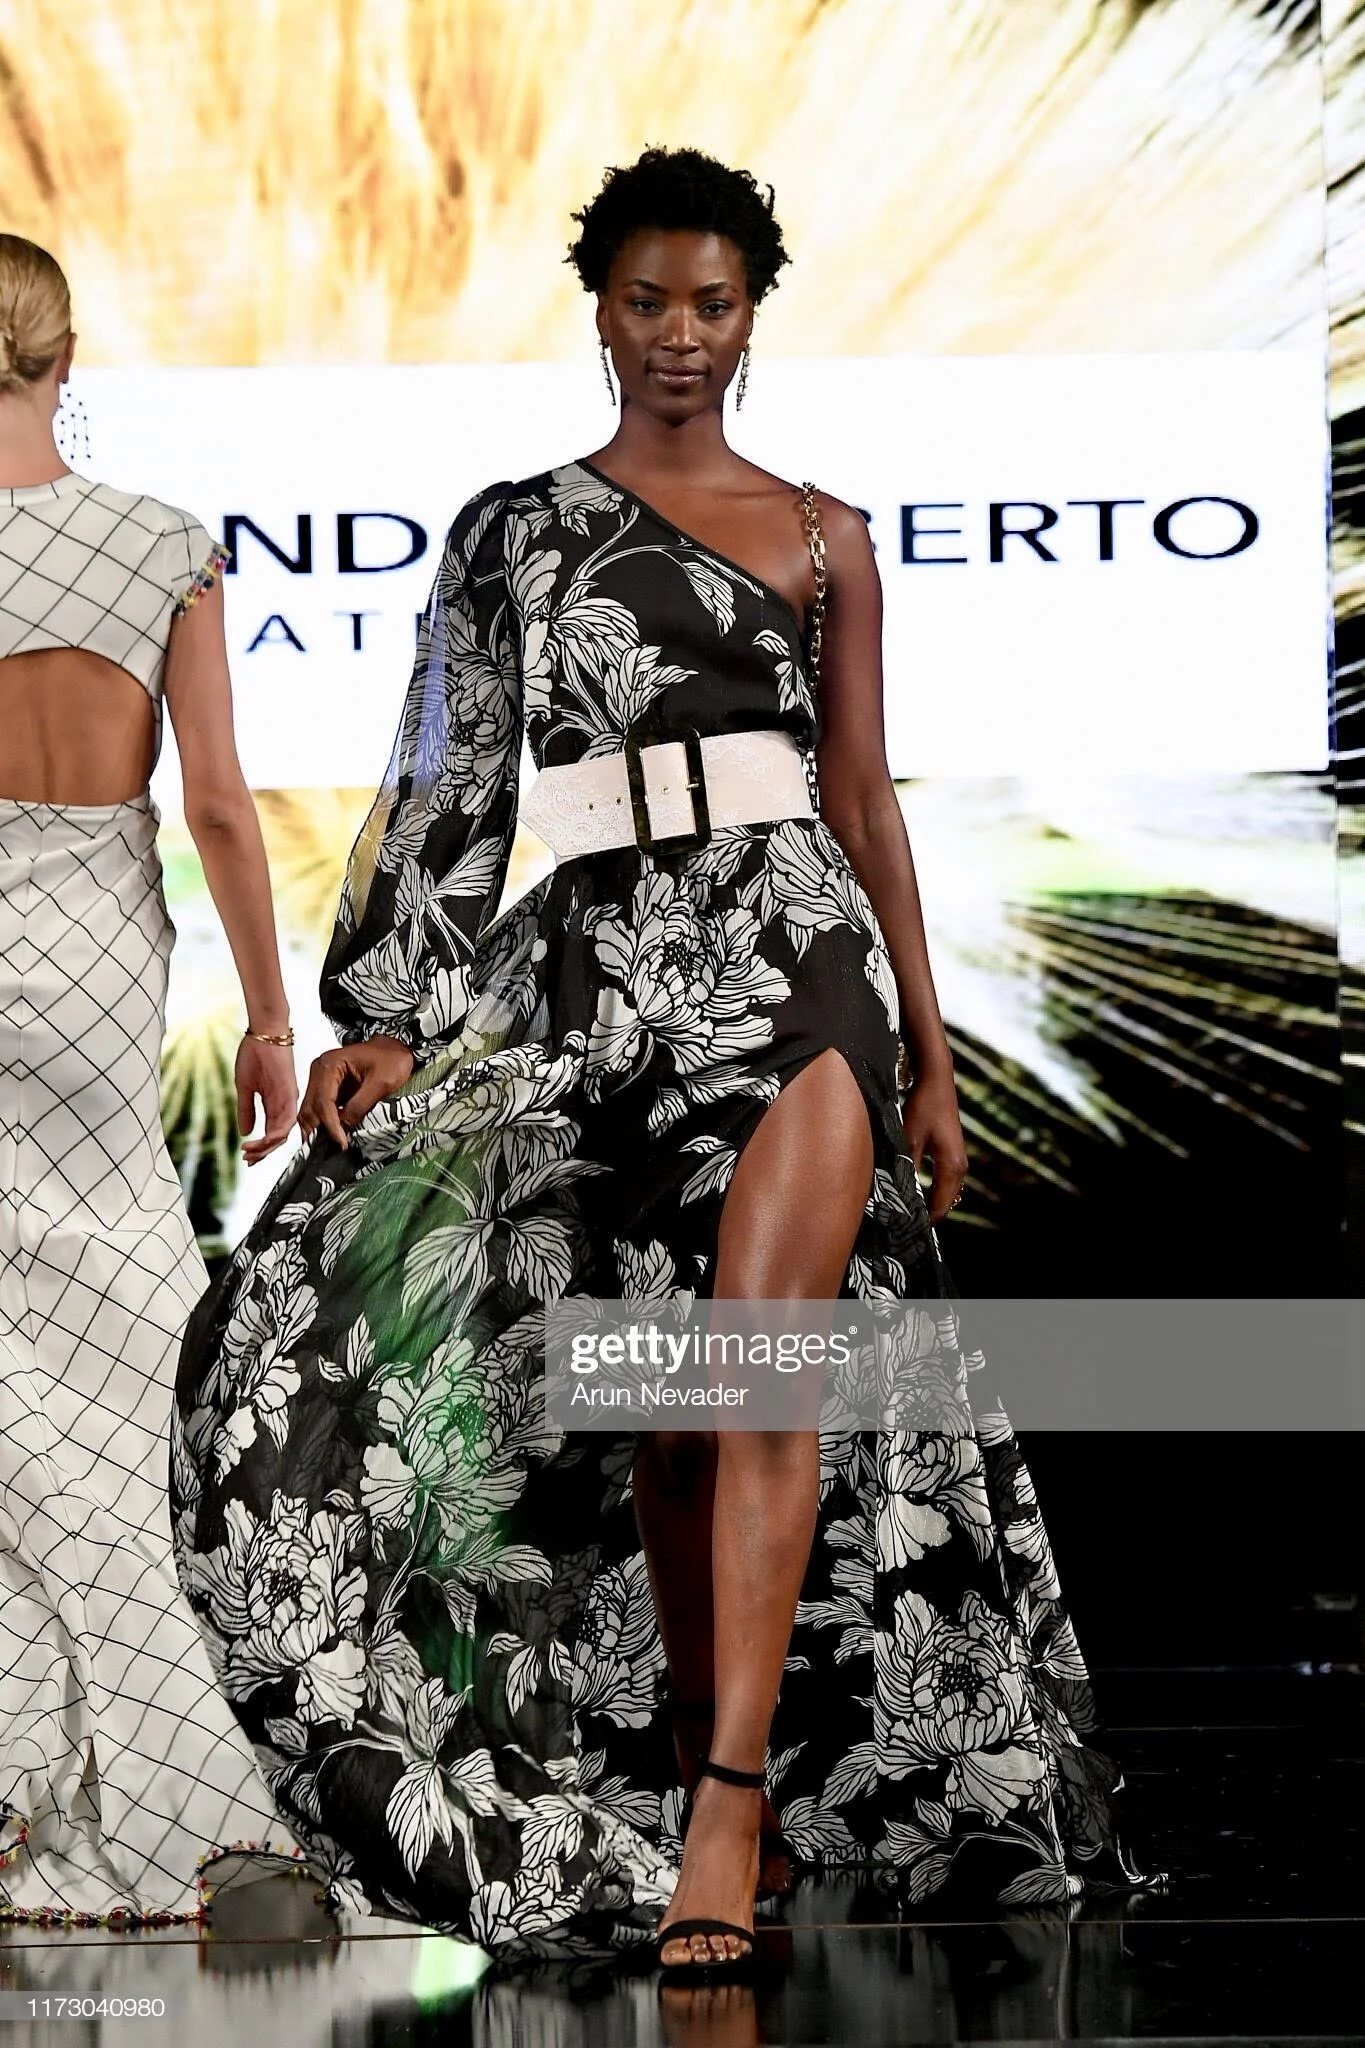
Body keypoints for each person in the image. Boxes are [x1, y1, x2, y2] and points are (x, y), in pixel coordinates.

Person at [173, 150, 1153, 1967]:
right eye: (646, 302)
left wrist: (928, 1059)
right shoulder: (514, 531)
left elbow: (862, 797)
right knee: (669, 1426)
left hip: (801, 963)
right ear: (599, 310)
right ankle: (729, 1784)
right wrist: (386, 1009)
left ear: (755, 313)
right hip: (605, 979)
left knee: (762, 1374)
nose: (679, 336)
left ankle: (725, 1813)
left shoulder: (826, 535)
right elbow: (451, 769)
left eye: (711, 304)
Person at [0, 234, 307, 1922]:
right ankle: (176, 1781)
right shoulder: (162, 543)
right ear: (66, 358)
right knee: (120, 1338)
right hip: (99, 978)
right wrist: (273, 1021)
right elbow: (218, 815)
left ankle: (23, 1786)